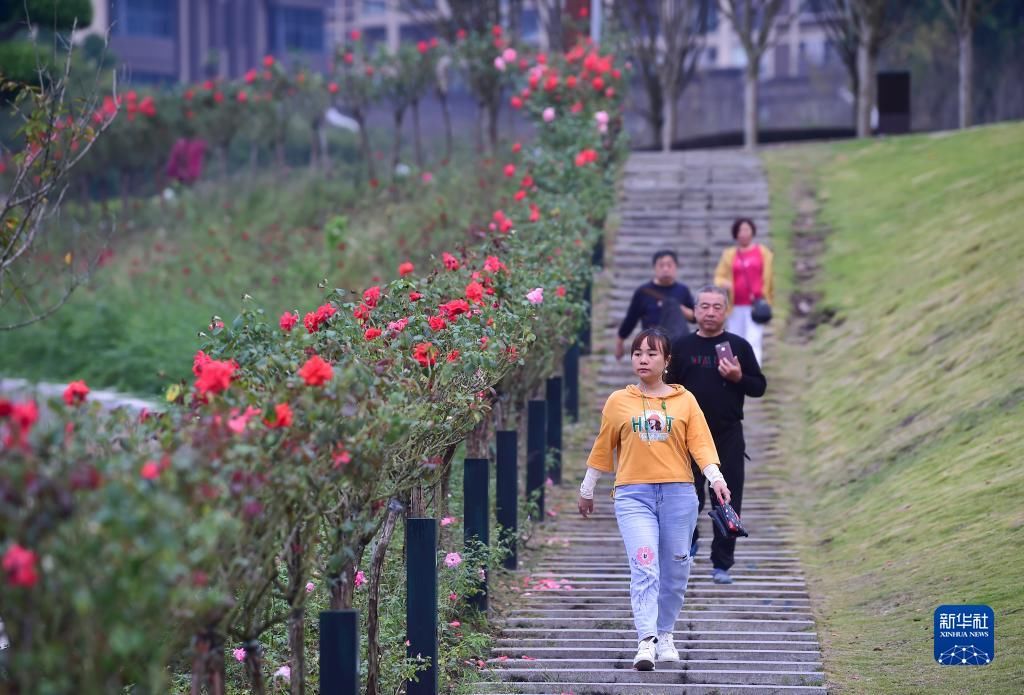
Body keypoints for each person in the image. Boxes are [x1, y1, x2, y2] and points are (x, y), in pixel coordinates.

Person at [578, 328, 731, 671]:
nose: (643, 359)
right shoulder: (619, 401)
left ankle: (666, 634)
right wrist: (588, 489)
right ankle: (645, 641)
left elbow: (701, 445)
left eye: (651, 353)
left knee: (677, 568)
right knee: (645, 565)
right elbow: (604, 447)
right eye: (637, 353)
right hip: (634, 497)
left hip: (679, 495)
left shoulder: (685, 401)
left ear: (666, 361)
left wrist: (716, 479)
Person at [666, 285, 766, 585]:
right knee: (686, 497)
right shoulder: (681, 347)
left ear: (727, 311)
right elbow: (667, 388)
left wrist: (738, 377)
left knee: (727, 500)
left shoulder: (738, 346)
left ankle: (722, 564)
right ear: (695, 311)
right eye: (704, 306)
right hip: (687, 437)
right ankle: (690, 539)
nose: (710, 312)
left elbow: (759, 387)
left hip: (727, 434)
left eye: (717, 307)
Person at [713, 218, 774, 365]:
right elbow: (718, 277)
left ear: (752, 231)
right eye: (741, 230)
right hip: (735, 306)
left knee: (753, 340)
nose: (744, 233)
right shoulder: (729, 254)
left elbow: (769, 278)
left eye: (747, 229)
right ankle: (736, 374)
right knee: (736, 341)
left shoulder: (763, 252)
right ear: (736, 234)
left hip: (755, 306)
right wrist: (725, 283)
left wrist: (768, 298)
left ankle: (754, 373)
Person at [615, 250, 695, 360]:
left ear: (676, 267)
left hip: (677, 345)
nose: (665, 269)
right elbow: (631, 319)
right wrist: (620, 341)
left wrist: (679, 308)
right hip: (651, 346)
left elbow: (694, 317)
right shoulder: (643, 292)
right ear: (654, 268)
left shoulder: (682, 290)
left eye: (669, 265)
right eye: (661, 265)